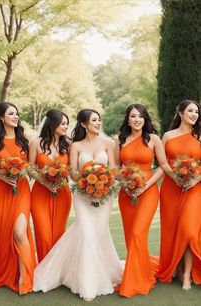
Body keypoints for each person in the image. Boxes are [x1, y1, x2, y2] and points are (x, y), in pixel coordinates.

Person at [33, 109, 123, 301]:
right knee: (87, 233)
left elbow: (114, 168)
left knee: (99, 234)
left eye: (99, 120)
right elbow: (72, 173)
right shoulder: (75, 146)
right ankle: (87, 284)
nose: (98, 123)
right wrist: (86, 179)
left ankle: (102, 272)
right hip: (82, 195)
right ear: (83, 124)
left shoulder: (109, 143)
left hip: (105, 196)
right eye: (94, 120)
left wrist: (104, 178)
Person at [115, 103, 172, 297]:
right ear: (128, 119)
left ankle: (135, 282)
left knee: (139, 234)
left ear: (145, 118)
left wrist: (145, 186)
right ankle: (142, 269)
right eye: (133, 116)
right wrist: (126, 186)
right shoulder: (121, 139)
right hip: (126, 194)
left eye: (140, 116)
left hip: (147, 193)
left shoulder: (154, 139)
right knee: (131, 238)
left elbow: (163, 165)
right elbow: (116, 169)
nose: (137, 119)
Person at [0, 102, 36, 295]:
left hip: (21, 190)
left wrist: (22, 172)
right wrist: (3, 176)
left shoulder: (26, 139)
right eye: (11, 113)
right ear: (0, 117)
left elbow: (31, 166)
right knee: (4, 233)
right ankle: (5, 271)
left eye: (17, 113)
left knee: (20, 232)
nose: (15, 116)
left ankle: (24, 277)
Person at [157, 100, 201, 290]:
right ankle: (176, 266)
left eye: (197, 112)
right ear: (181, 113)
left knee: (189, 230)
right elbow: (163, 162)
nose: (194, 114)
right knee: (173, 230)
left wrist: (194, 179)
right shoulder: (167, 136)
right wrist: (176, 178)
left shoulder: (199, 136)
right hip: (171, 188)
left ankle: (186, 275)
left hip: (195, 188)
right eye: (190, 111)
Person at [29, 109, 71, 263]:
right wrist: (45, 181)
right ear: (53, 124)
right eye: (64, 123)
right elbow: (30, 167)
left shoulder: (68, 144)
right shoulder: (36, 142)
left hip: (62, 193)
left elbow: (72, 170)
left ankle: (57, 270)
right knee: (44, 234)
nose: (66, 127)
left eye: (67, 124)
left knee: (59, 234)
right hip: (40, 192)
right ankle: (43, 270)